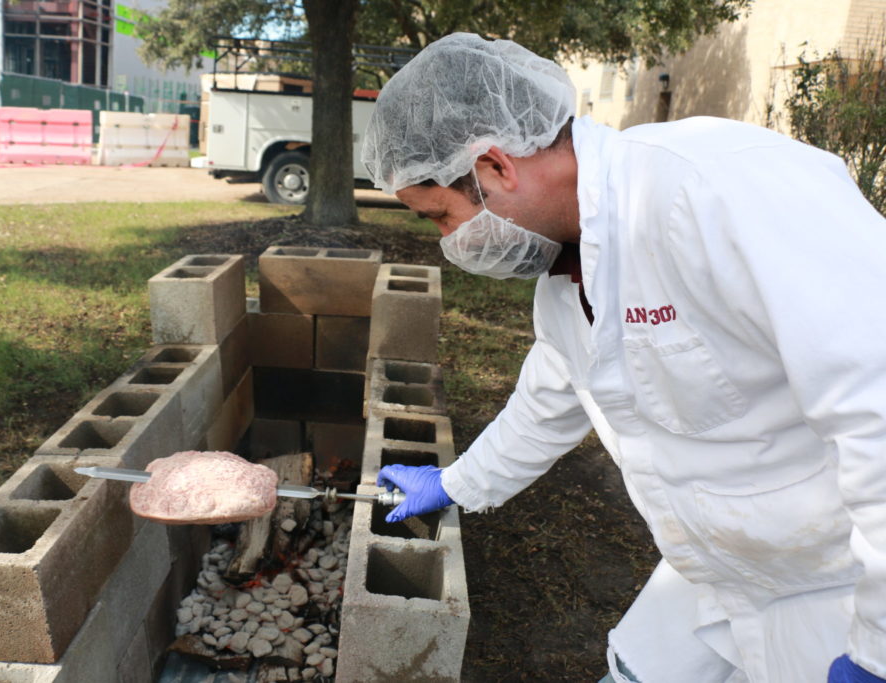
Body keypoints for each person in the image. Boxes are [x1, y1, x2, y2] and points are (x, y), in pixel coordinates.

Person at [363, 32, 886, 683]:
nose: (451, 242)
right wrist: (455, 484)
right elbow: (548, 403)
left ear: (496, 167)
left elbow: (876, 402)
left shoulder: (711, 190)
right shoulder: (566, 273)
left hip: (838, 583)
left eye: (441, 217)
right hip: (717, 571)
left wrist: (877, 647)